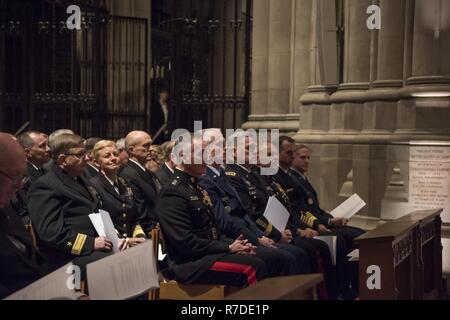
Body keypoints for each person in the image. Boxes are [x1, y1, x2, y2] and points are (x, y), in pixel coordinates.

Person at [157, 133, 267, 287]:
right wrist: (228, 248)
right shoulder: (172, 192)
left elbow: (213, 232)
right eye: (201, 153)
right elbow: (185, 242)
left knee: (261, 257)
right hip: (189, 264)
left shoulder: (196, 187)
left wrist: (236, 246)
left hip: (207, 255)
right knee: (252, 268)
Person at [28, 134, 113, 273]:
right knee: (117, 262)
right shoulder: (45, 186)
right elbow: (51, 233)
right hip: (65, 257)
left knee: (132, 253)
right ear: (63, 159)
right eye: (80, 154)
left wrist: (116, 239)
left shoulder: (80, 178)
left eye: (85, 153)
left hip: (94, 247)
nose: (87, 158)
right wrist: (90, 243)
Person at [0, 132, 48, 299]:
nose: (19, 185)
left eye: (23, 177)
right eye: (14, 176)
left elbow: (33, 260)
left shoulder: (5, 208)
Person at [89, 140, 147, 249]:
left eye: (115, 154)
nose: (113, 158)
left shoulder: (124, 183)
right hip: (112, 246)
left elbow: (134, 216)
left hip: (132, 245)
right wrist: (126, 240)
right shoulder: (93, 186)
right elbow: (100, 222)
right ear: (96, 162)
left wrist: (139, 235)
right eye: (107, 156)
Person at [119, 131, 161, 235]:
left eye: (151, 144)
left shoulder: (147, 172)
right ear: (131, 150)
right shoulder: (128, 175)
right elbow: (140, 211)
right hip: (148, 233)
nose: (151, 148)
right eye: (146, 145)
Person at [12, 131, 51, 223]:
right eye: (42, 146)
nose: (48, 149)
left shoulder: (43, 170)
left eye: (47, 145)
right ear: (27, 152)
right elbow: (27, 210)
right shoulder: (23, 176)